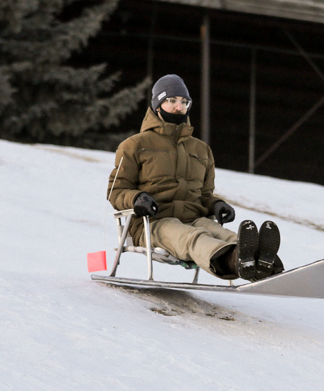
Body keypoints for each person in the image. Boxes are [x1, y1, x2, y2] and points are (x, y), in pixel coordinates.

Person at [107, 74, 283, 281]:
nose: (179, 107)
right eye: (172, 100)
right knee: (194, 237)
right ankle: (236, 262)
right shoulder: (135, 145)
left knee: (225, 235)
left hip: (194, 218)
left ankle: (266, 266)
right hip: (153, 223)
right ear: (157, 105)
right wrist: (137, 198)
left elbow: (205, 194)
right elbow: (116, 191)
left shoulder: (201, 150)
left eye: (184, 102)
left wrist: (216, 204)